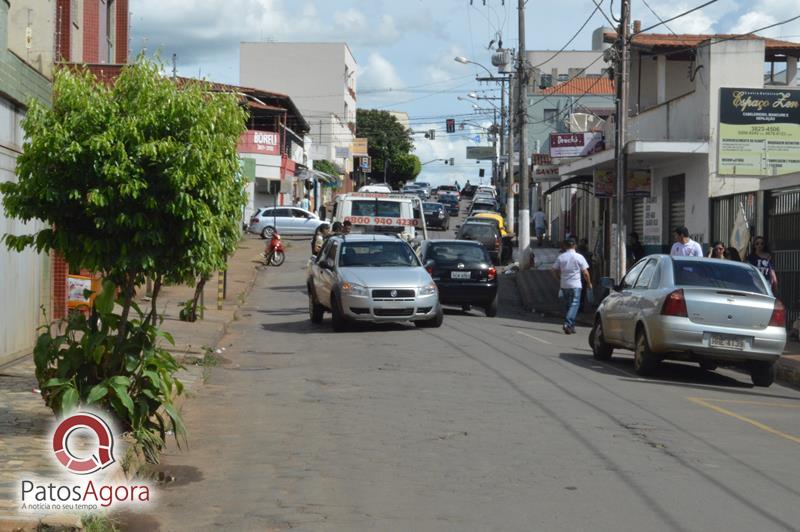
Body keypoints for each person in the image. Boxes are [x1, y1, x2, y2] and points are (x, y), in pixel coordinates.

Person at [552, 239, 592, 335]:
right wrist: (589, 283)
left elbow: (553, 270)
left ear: (565, 246)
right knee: (574, 305)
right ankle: (567, 323)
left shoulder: (561, 257)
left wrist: (559, 278)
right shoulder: (579, 257)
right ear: (575, 246)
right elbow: (585, 273)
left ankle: (571, 327)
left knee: (568, 305)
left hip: (564, 284)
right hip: (575, 285)